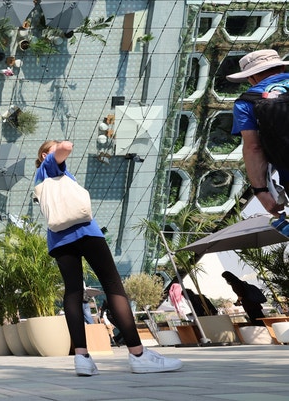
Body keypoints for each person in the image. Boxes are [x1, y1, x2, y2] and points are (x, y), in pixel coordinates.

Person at [34, 140, 183, 376]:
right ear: (44, 155)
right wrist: (60, 147)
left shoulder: (42, 177)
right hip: (85, 233)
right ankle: (138, 355)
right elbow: (67, 147)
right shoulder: (50, 166)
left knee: (73, 293)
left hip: (59, 239)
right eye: (51, 150)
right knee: (113, 286)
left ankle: (82, 358)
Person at [229, 49, 289, 216]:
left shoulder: (246, 103)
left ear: (251, 77)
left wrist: (261, 191)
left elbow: (253, 148)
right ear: (282, 68)